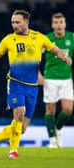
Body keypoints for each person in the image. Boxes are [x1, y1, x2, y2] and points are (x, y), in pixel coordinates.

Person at [0, 10, 72, 159]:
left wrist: (64, 56)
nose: (14, 25)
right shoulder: (8, 40)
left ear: (26, 22)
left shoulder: (39, 37)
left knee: (21, 128)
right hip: (16, 83)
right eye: (13, 22)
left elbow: (55, 50)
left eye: (17, 22)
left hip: (32, 87)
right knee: (19, 112)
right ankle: (13, 151)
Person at [38, 13, 74, 148]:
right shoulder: (47, 39)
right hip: (50, 79)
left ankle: (57, 129)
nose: (59, 25)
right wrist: (38, 74)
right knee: (50, 110)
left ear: (65, 24)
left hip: (66, 79)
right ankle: (52, 141)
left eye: (61, 22)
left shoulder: (72, 37)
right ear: (52, 25)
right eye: (56, 22)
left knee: (68, 110)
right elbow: (35, 58)